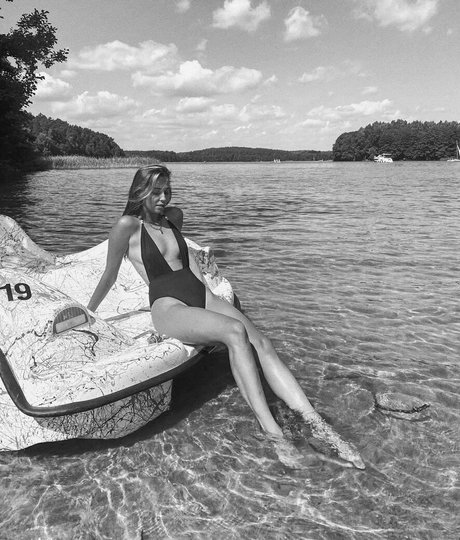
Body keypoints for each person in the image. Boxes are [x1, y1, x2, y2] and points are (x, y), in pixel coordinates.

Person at [88, 165, 365, 470]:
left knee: (262, 342)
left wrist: (209, 291)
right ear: (140, 191)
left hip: (201, 294)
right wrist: (89, 313)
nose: (164, 198)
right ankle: (275, 435)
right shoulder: (127, 226)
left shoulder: (173, 218)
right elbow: (109, 275)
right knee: (235, 332)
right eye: (156, 192)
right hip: (168, 305)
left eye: (167, 190)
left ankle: (316, 424)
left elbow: (189, 263)